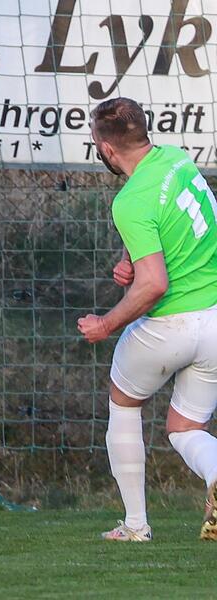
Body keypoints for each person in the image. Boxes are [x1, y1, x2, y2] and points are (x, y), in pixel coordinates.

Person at [78, 97, 217, 542]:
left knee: (123, 399)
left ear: (105, 148)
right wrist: (129, 260)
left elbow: (154, 283)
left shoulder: (130, 201)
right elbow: (170, 228)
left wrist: (106, 324)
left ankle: (135, 524)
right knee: (185, 429)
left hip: (171, 326)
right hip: (215, 322)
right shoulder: (177, 160)